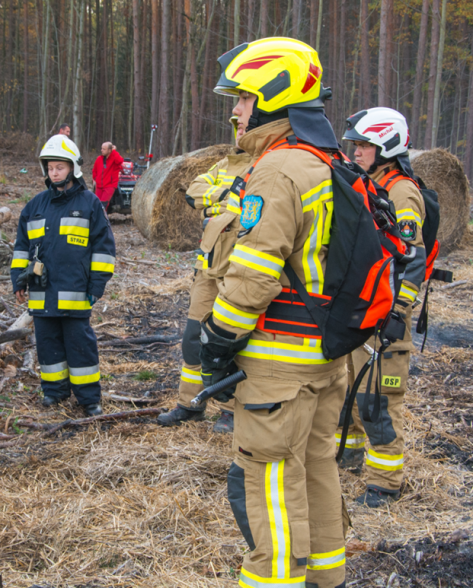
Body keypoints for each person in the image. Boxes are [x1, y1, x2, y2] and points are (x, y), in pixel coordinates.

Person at [203, 38, 349, 588]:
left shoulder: (278, 170)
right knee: (316, 469)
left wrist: (216, 338)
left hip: (278, 364)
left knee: (269, 481)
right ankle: (327, 578)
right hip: (325, 356)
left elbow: (254, 273)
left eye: (241, 97)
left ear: (269, 98)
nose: (235, 109)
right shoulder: (324, 160)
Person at [337, 107, 426, 507]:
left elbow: (412, 259)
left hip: (387, 320)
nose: (356, 152)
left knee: (379, 402)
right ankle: (352, 455)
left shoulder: (401, 191)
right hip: (366, 312)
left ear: (386, 146)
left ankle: (385, 483)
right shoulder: (369, 183)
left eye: (364, 146)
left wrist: (397, 315)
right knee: (354, 393)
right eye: (355, 144)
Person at [11, 134, 116, 417]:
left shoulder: (90, 204)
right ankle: (54, 392)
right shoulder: (34, 206)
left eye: (60, 167)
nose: (54, 172)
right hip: (42, 293)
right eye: (50, 167)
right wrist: (17, 279)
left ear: (73, 168)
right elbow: (22, 247)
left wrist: (97, 285)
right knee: (47, 346)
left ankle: (89, 399)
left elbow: (104, 249)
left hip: (76, 293)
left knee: (80, 347)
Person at [157, 118, 251, 432]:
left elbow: (248, 209)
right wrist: (226, 196)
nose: (240, 130)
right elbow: (193, 191)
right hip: (207, 268)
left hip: (237, 270)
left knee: (227, 341)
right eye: (236, 126)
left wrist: (217, 202)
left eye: (245, 125)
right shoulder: (225, 164)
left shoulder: (265, 166)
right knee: (193, 339)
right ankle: (190, 403)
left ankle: (229, 409)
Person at [91, 142, 124, 210]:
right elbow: (94, 170)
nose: (101, 150)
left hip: (109, 186)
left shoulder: (114, 159)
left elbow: (120, 161)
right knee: (97, 204)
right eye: (101, 148)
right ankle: (100, 219)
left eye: (104, 149)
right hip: (99, 186)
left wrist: (114, 151)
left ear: (109, 150)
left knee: (103, 205)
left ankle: (102, 219)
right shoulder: (99, 159)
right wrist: (95, 178)